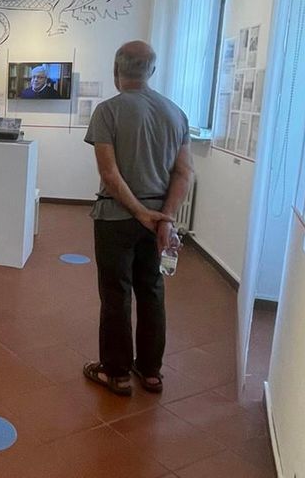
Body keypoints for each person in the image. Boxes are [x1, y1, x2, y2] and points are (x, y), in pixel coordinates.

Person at [82, 41, 193, 396]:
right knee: (152, 290)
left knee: (116, 294)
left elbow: (110, 174)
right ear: (152, 71)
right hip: (158, 221)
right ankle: (150, 370)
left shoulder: (107, 111)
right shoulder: (175, 114)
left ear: (117, 70)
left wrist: (139, 211)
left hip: (116, 218)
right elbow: (183, 173)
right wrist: (165, 218)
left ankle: (116, 373)